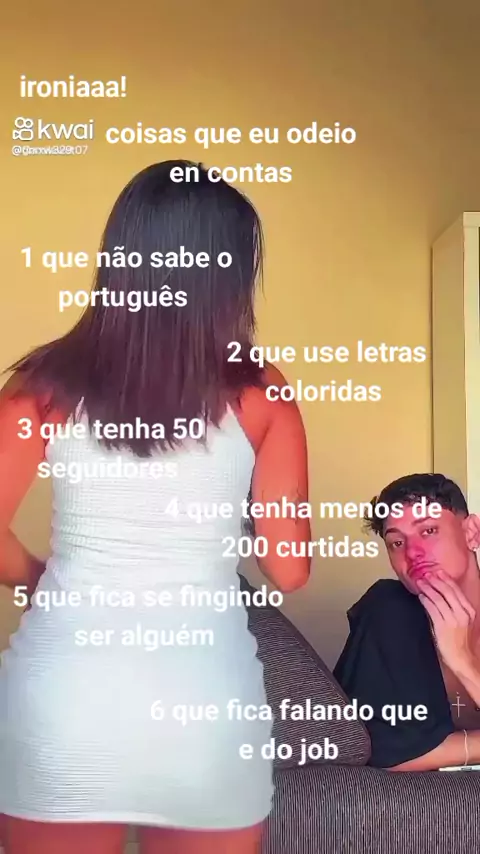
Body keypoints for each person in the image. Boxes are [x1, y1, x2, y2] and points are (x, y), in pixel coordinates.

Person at [0, 161, 311, 854]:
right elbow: (289, 570)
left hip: (66, 699)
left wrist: (36, 575)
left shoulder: (43, 384)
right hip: (203, 703)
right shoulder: (262, 391)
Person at [333, 472, 480, 771]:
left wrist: (462, 661)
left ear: (471, 533)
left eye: (428, 530)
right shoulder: (389, 612)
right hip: (426, 797)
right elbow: (377, 751)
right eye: (396, 542)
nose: (412, 553)